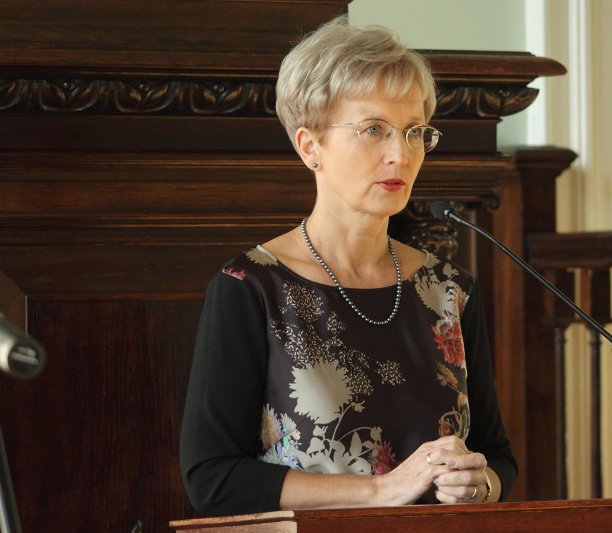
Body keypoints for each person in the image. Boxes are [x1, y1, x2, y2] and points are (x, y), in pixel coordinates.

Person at [179, 15, 517, 516]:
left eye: (414, 132)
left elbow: (498, 459)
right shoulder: (249, 287)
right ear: (309, 145)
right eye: (373, 130)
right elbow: (213, 478)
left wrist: (479, 483)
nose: (399, 155)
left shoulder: (449, 291)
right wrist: (382, 491)